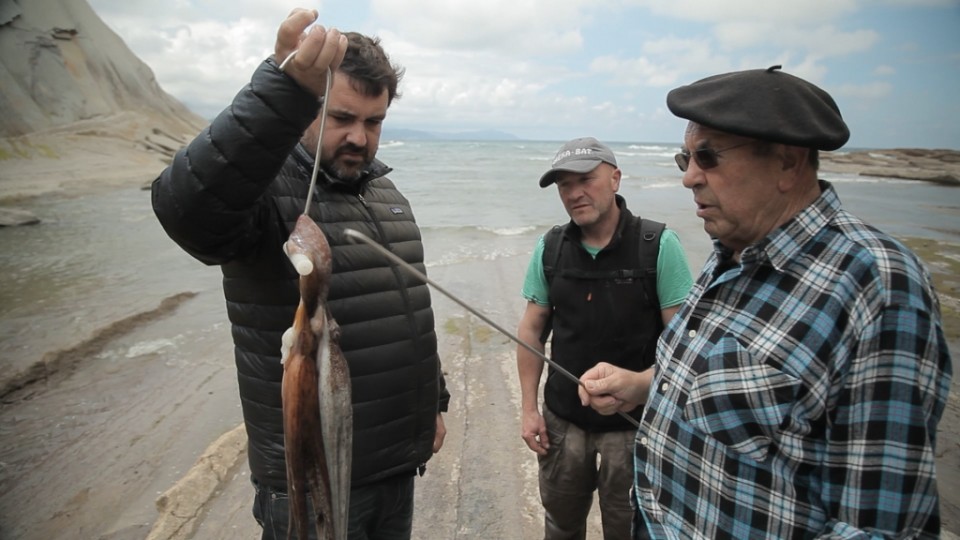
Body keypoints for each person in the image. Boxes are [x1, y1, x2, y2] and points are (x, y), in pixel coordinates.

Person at [578, 65, 953, 539]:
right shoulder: (733, 251)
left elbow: (880, 527)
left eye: (708, 157)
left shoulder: (879, 288)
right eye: (684, 158)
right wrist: (643, 384)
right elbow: (744, 387)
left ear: (788, 162)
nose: (689, 178)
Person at [151, 9, 449, 540]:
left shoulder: (387, 195)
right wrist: (281, 91)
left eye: (373, 121)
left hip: (394, 468)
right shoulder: (263, 193)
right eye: (341, 118)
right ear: (307, 109)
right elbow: (187, 210)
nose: (359, 137)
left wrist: (434, 405)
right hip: (310, 481)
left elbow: (405, 310)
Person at [516, 137, 694, 539]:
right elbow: (531, 329)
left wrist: (643, 387)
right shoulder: (550, 248)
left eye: (585, 179)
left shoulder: (658, 246)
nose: (575, 193)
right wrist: (529, 409)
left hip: (635, 427)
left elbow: (686, 348)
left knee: (629, 529)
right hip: (563, 423)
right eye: (564, 184)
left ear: (615, 178)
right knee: (561, 525)